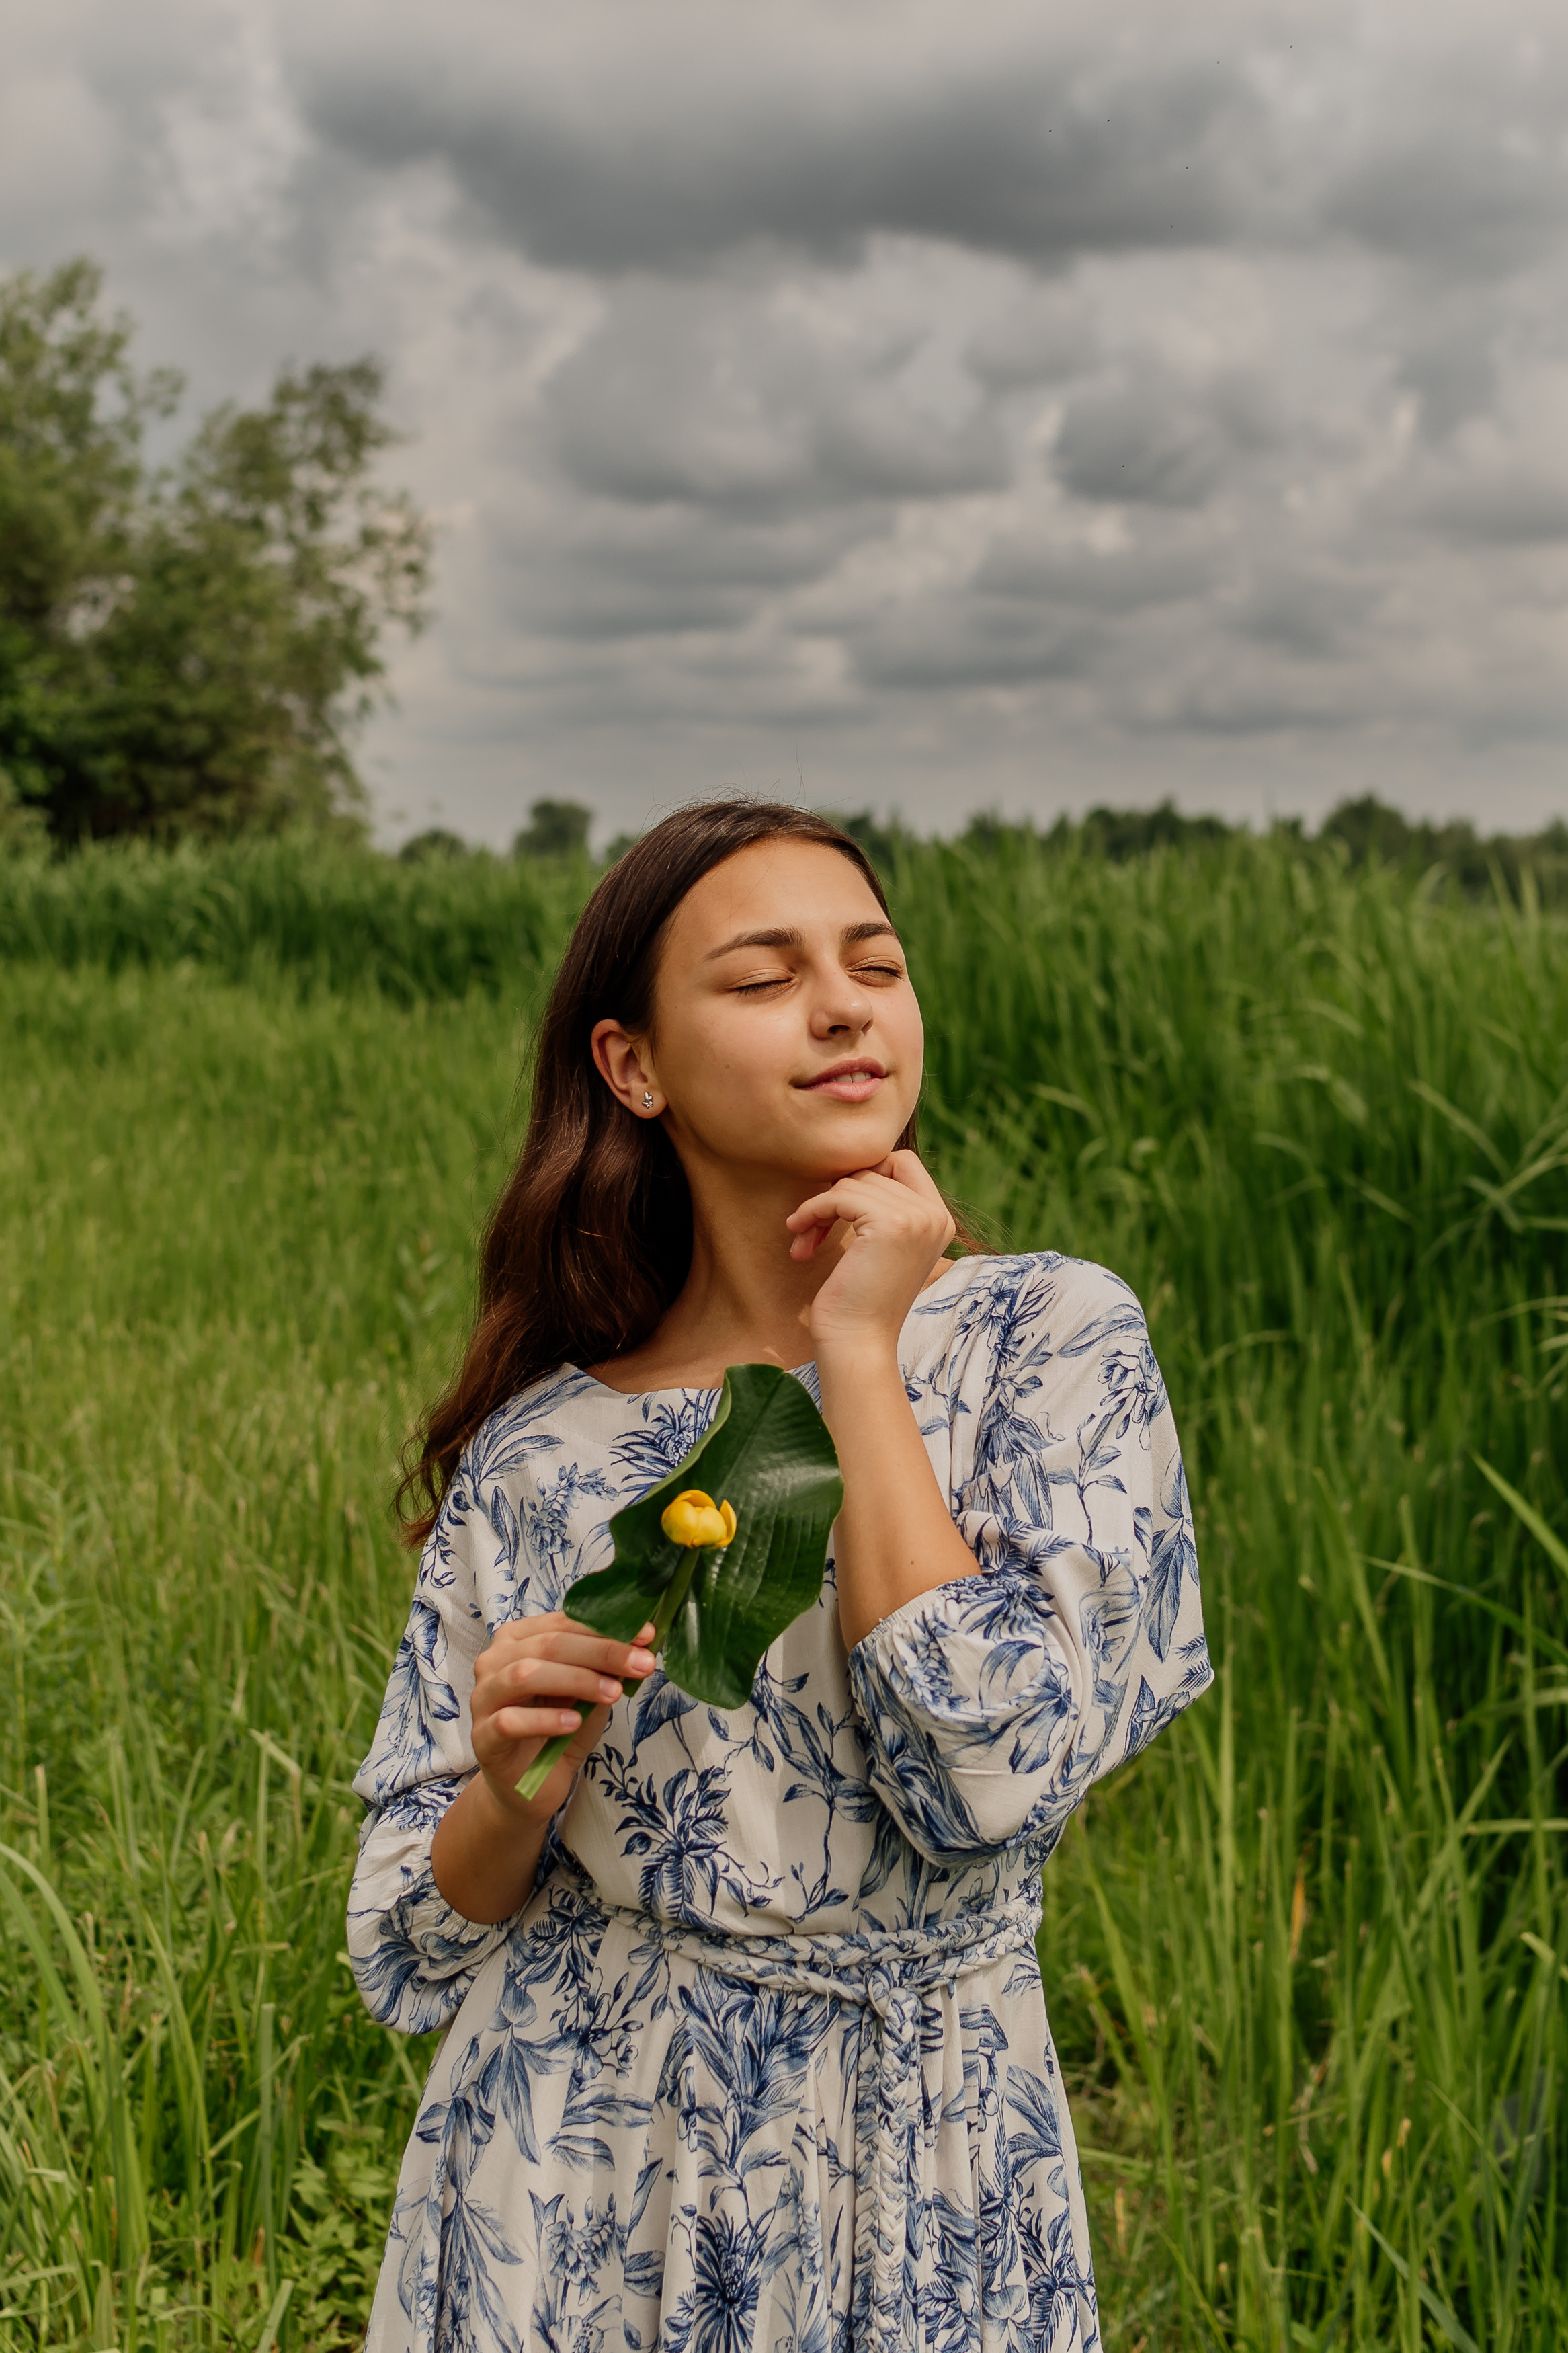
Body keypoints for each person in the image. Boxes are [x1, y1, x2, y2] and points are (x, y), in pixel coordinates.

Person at [348, 799, 1211, 2352]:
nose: (842, 1004)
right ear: (635, 1065)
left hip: (927, 2142)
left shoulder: (1051, 1342)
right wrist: (511, 1778)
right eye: (762, 978)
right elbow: (410, 1941)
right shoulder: (546, 1448)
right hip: (576, 2159)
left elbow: (991, 1776)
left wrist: (857, 1352)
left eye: (874, 964)